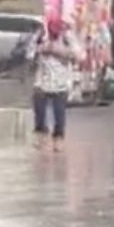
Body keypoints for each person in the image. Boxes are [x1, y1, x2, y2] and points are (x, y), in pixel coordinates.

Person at [32, 18, 77, 152]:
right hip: (42, 83)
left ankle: (58, 140)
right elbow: (30, 54)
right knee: (39, 112)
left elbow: (77, 55)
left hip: (61, 83)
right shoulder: (41, 39)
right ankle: (41, 136)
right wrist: (40, 48)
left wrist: (59, 51)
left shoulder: (67, 40)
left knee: (59, 114)